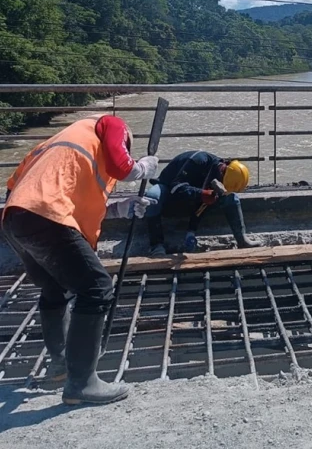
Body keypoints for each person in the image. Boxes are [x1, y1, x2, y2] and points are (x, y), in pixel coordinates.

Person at [2, 114, 158, 405]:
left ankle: (62, 365)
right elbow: (122, 167)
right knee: (97, 289)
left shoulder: (58, 149)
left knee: (54, 288)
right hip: (47, 216)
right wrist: (143, 167)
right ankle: (82, 383)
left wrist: (120, 208)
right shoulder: (110, 124)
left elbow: (70, 197)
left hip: (16, 217)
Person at [144, 150, 259, 256]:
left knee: (231, 198)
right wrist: (202, 194)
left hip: (191, 196)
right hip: (169, 189)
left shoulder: (219, 177)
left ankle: (242, 240)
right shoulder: (198, 161)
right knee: (152, 197)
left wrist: (191, 231)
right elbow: (176, 187)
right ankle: (156, 245)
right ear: (223, 171)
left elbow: (203, 203)